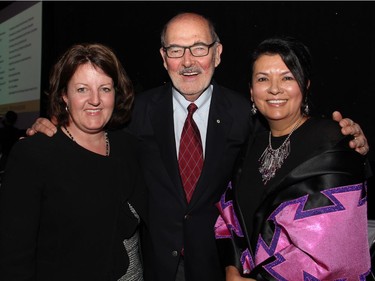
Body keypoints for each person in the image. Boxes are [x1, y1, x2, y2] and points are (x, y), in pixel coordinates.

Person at [25, 13, 370, 281]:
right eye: (176, 50)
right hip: (156, 267)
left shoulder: (246, 115)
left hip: (221, 268)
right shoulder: (135, 111)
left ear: (217, 53)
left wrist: (351, 138)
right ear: (164, 57)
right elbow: (92, 129)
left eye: (199, 48)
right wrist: (54, 126)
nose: (188, 60)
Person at [214, 36, 371, 280]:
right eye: (263, 79)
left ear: (305, 85)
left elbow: (334, 247)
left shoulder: (332, 139)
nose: (274, 88)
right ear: (251, 90)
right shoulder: (251, 146)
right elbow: (230, 218)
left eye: (287, 77)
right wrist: (232, 270)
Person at [0, 43, 147, 281]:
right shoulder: (34, 154)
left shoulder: (129, 147)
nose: (95, 100)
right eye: (82, 89)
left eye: (105, 89)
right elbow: (14, 256)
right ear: (64, 95)